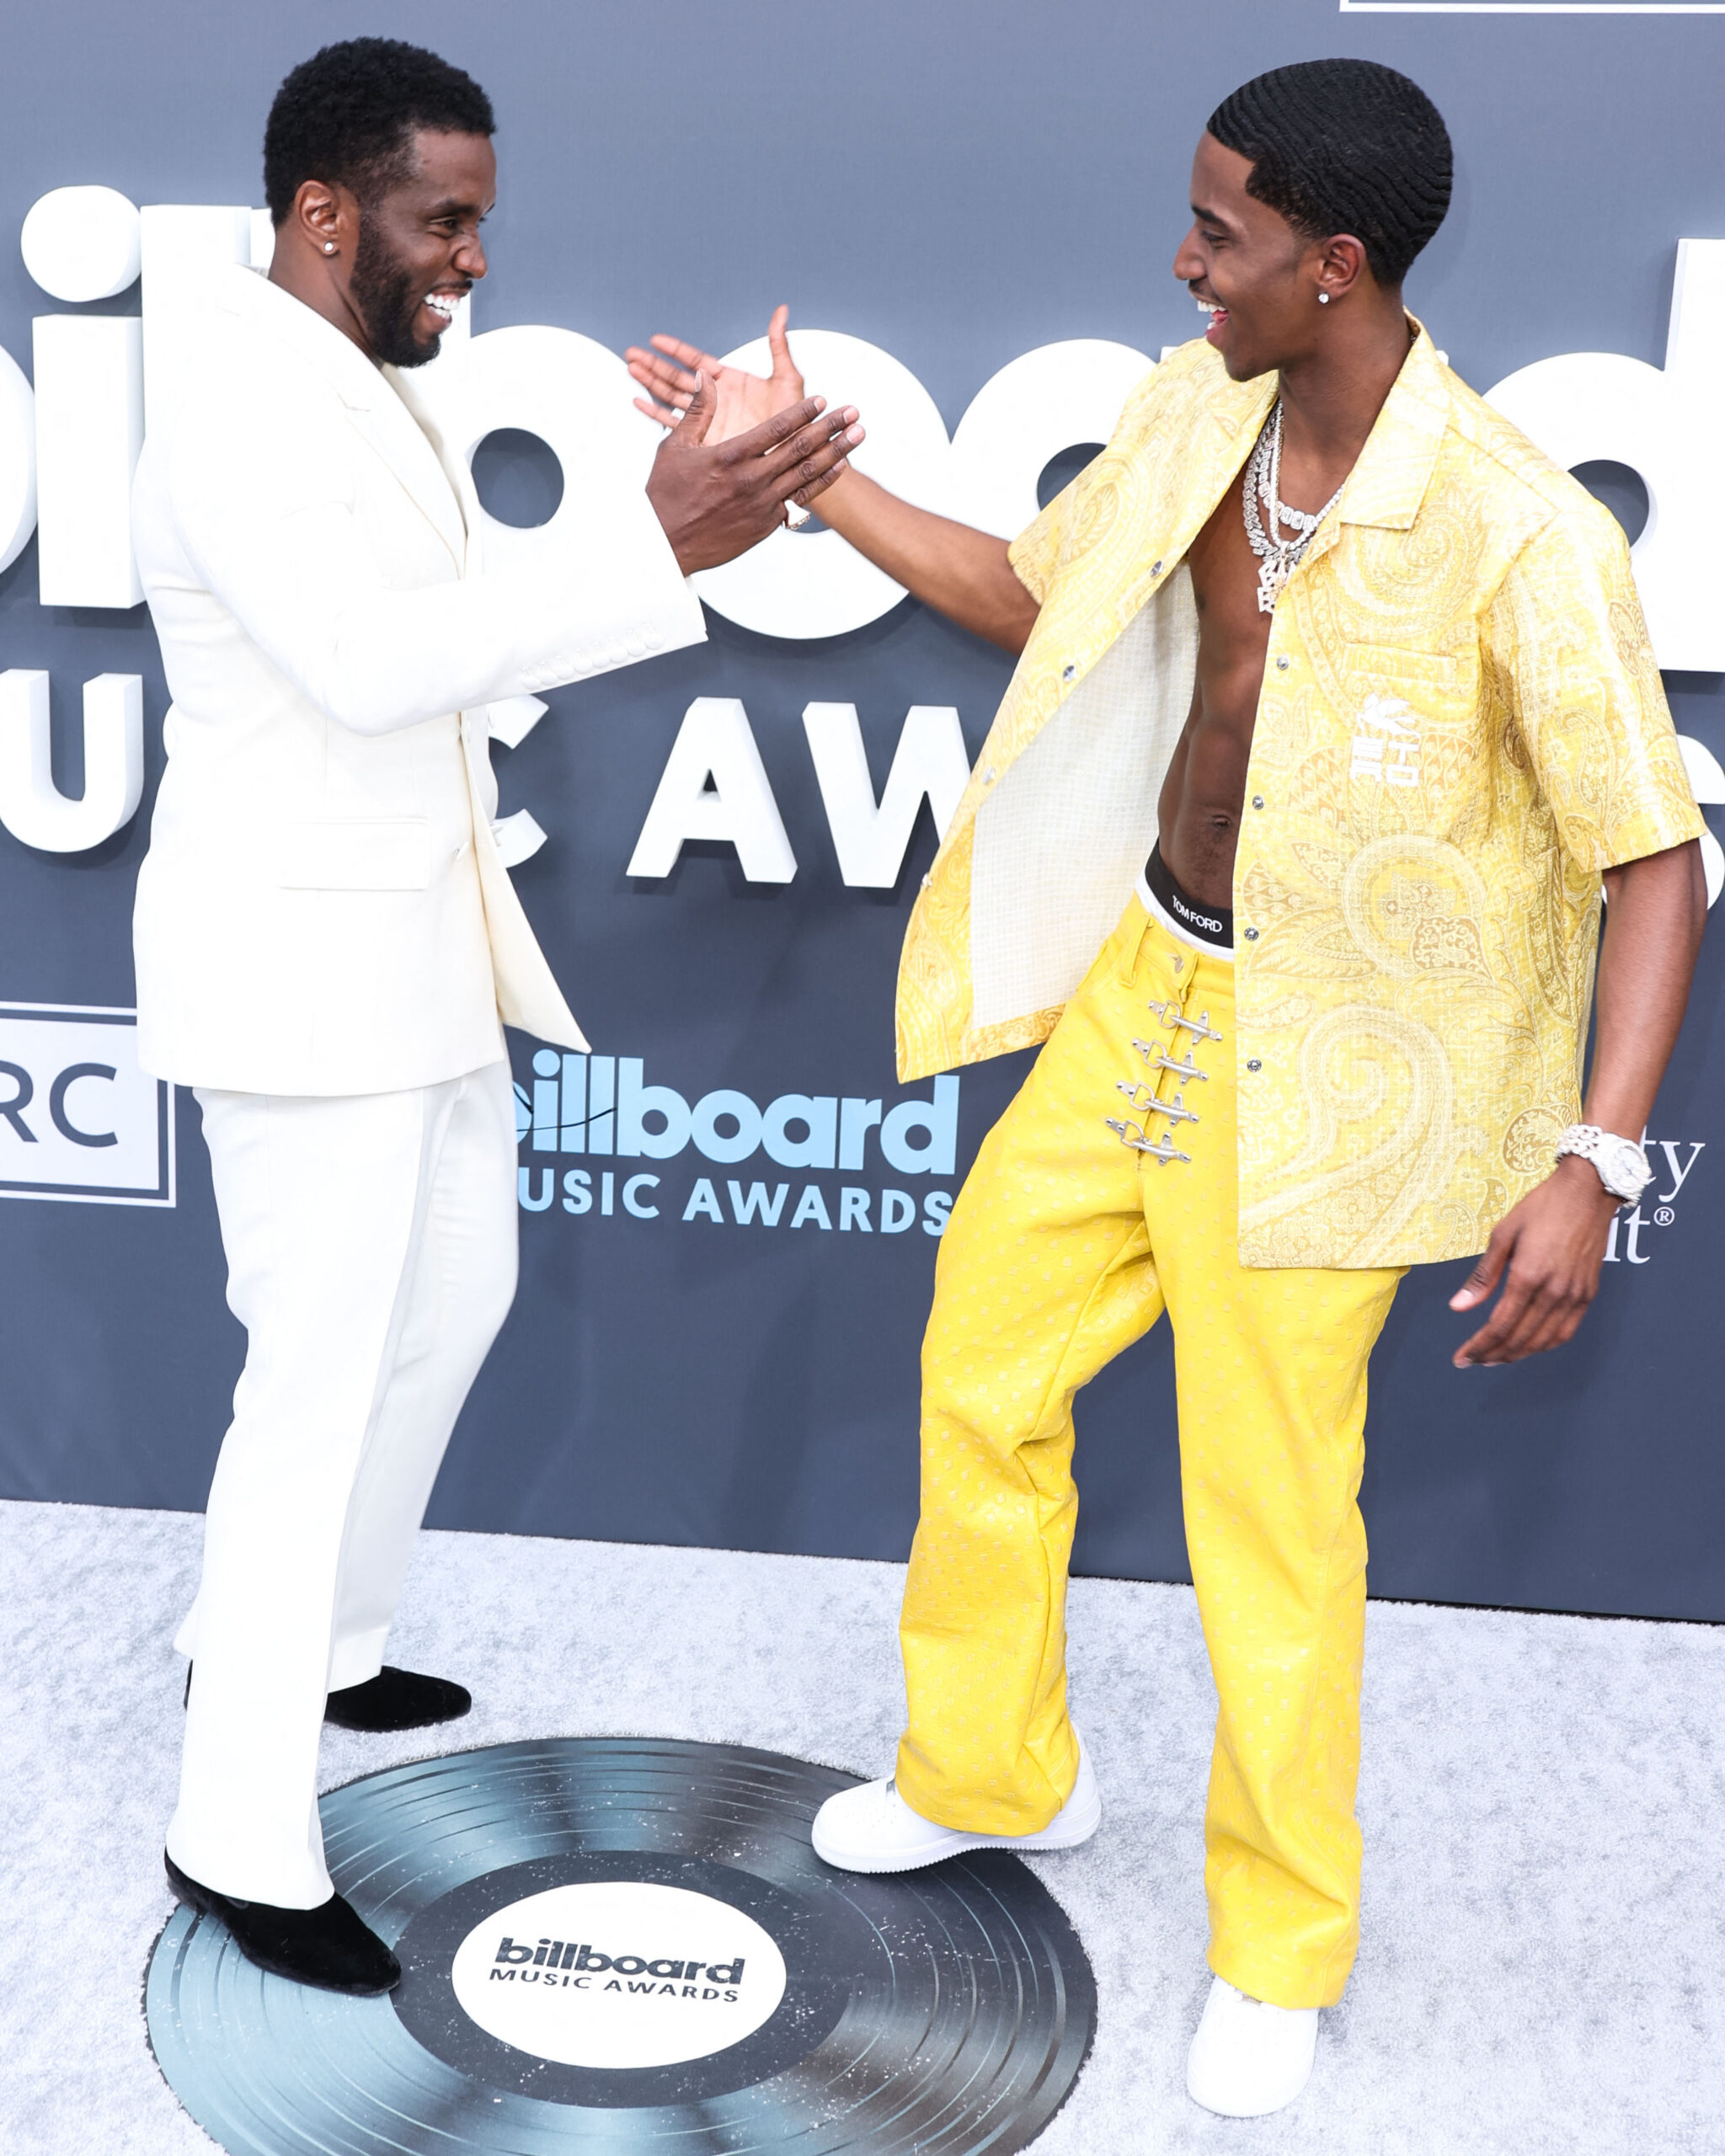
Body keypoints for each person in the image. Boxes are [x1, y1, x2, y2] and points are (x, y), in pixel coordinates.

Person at [628, 57, 1706, 2117]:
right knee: (982, 1365)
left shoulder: (1516, 531)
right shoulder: (1194, 411)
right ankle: (992, 1765)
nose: (1182, 257)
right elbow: (1028, 598)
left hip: (1334, 1071)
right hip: (1147, 987)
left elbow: (1651, 854)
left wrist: (1592, 1151)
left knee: (1271, 1519)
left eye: (1219, 232)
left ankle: (1279, 1940)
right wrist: (793, 476)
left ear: (1337, 262)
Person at [134, 36, 862, 1997]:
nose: (470, 255)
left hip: (419, 954)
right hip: (303, 978)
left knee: (451, 1303)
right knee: (310, 1386)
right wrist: (657, 535)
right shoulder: (226, 386)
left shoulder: (349, 369)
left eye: (478, 218)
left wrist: (672, 511)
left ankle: (333, 1637)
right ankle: (235, 1818)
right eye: (440, 217)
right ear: (319, 209)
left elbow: (429, 642)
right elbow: (374, 668)